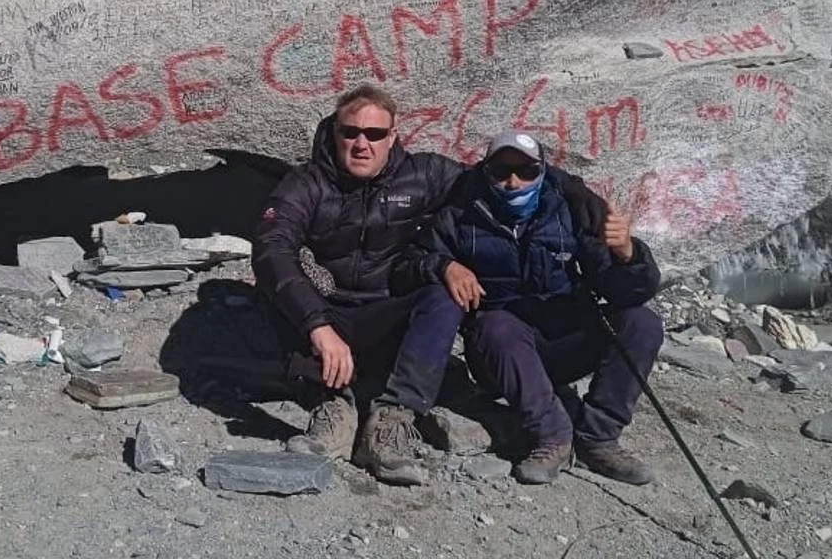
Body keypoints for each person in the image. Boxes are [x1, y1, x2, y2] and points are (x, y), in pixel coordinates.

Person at [399, 128, 664, 485]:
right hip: (500, 354)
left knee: (643, 323)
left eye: (526, 171)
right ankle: (552, 436)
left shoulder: (571, 210)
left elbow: (626, 292)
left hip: (566, 339)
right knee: (495, 325)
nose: (513, 182)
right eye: (502, 171)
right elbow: (410, 262)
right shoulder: (460, 215)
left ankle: (598, 439)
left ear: (542, 171)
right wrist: (445, 266)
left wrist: (627, 255)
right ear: (486, 171)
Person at [250, 83, 466, 486]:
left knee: (443, 294)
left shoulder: (423, 174)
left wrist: (584, 202)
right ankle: (332, 407)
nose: (362, 144)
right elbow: (271, 247)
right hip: (328, 313)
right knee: (281, 280)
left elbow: (499, 182)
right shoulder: (307, 183)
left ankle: (392, 421)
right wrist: (317, 324)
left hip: (386, 311)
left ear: (393, 137)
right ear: (335, 132)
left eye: (375, 134)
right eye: (350, 132)